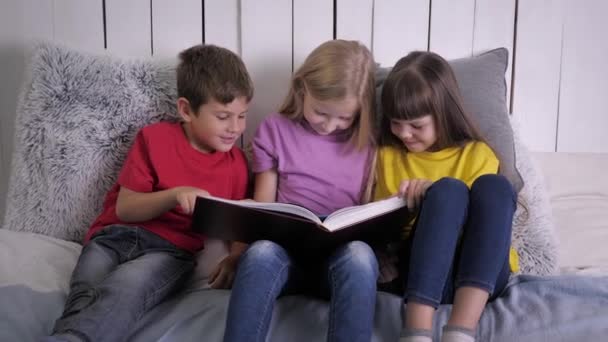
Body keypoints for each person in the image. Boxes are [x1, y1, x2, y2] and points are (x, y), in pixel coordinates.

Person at [43, 44, 254, 342]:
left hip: (168, 251)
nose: (235, 128)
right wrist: (174, 194)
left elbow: (238, 223)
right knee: (84, 295)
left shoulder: (236, 166)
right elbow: (126, 209)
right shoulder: (154, 138)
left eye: (242, 115)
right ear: (185, 110)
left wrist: (235, 257)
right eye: (223, 116)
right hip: (112, 237)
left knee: (125, 288)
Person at [223, 39, 379, 342]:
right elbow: (263, 207)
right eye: (321, 112)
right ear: (301, 89)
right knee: (260, 253)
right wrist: (236, 254)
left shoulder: (366, 143)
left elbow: (367, 211)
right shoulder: (275, 130)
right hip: (285, 258)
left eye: (345, 117)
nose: (331, 125)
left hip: (338, 262)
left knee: (360, 255)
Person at [373, 51, 519, 342]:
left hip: (481, 275)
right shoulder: (386, 157)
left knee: (492, 187)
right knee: (447, 191)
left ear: (443, 114)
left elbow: (485, 226)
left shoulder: (478, 154)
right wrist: (415, 210)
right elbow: (378, 226)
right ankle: (416, 332)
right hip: (421, 273)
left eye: (416, 125)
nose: (404, 134)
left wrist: (435, 196)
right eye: (395, 122)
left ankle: (461, 332)